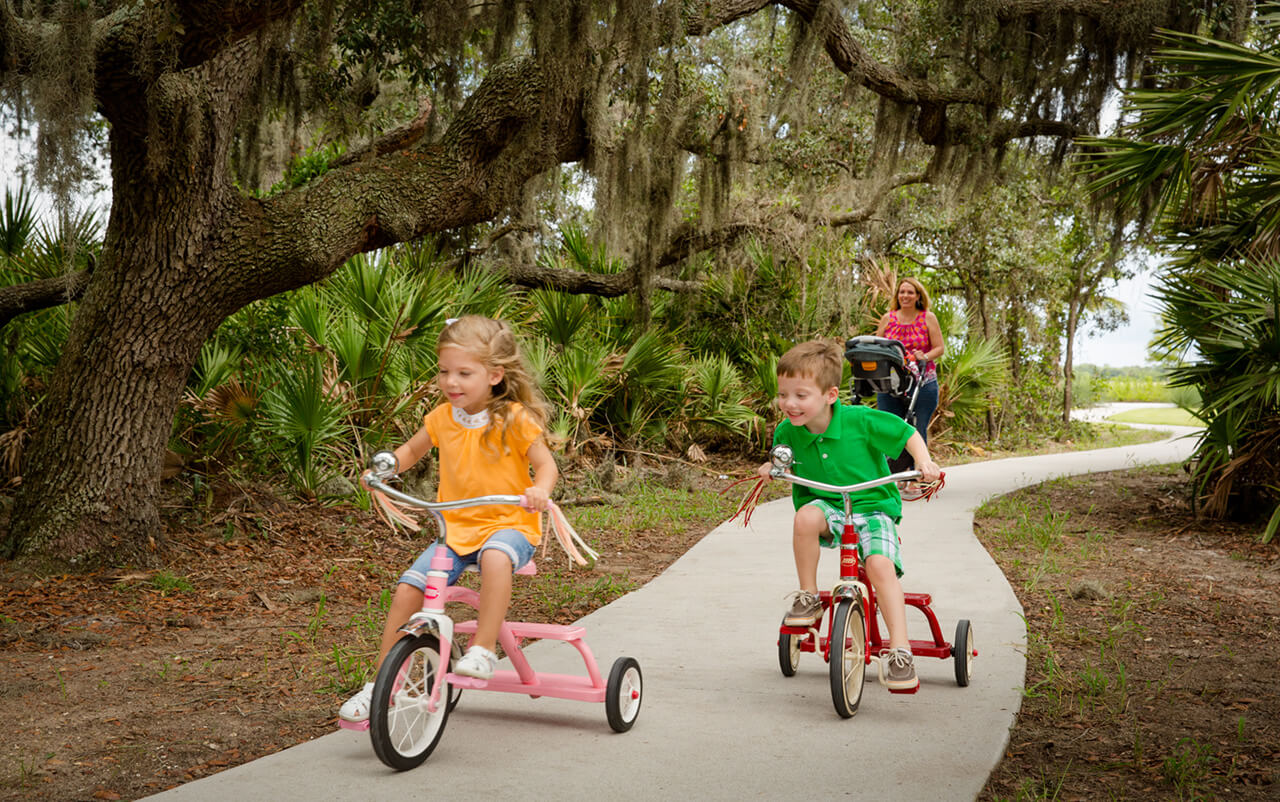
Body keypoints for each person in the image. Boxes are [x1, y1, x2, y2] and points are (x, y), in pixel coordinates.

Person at [340, 315, 558, 723]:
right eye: (444, 372)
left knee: (495, 556)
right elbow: (410, 451)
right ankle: (380, 685)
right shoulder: (442, 418)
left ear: (495, 375)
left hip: (510, 524)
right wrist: (384, 472)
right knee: (408, 588)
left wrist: (539, 490)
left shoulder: (513, 417)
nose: (450, 382)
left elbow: (546, 466)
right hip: (455, 530)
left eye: (463, 373)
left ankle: (482, 648)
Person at [756, 339, 941, 692]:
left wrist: (922, 461)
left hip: (872, 507)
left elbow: (907, 433)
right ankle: (808, 596)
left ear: (830, 395)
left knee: (879, 567)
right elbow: (780, 456)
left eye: (800, 395)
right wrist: (771, 466)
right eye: (783, 395)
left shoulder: (859, 420)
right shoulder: (787, 430)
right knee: (805, 519)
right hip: (827, 506)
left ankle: (899, 651)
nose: (789, 404)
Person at [874, 276, 944, 451]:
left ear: (918, 296)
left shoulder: (928, 318)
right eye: (902, 292)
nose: (905, 296)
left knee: (917, 430)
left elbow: (939, 348)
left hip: (922, 381)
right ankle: (893, 473)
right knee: (890, 428)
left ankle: (917, 473)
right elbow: (876, 346)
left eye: (910, 292)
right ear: (897, 295)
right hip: (891, 382)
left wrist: (924, 356)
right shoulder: (887, 318)